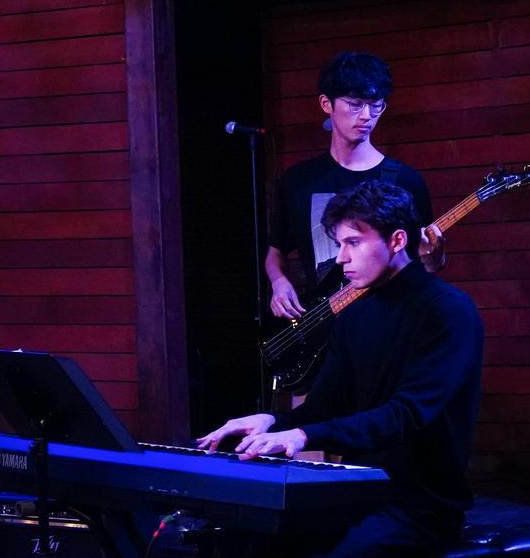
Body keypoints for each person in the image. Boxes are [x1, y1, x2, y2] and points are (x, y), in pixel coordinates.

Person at [199, 181, 483, 555]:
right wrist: (272, 422)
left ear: (397, 241)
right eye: (339, 244)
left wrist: (301, 436)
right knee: (243, 540)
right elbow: (323, 407)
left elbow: (405, 415)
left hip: (419, 506)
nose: (340, 259)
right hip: (354, 490)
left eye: (353, 243)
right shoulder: (356, 314)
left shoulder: (448, 311)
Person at [266, 51, 444, 322]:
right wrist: (279, 282)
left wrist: (434, 260)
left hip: (390, 324)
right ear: (326, 103)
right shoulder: (298, 180)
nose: (367, 116)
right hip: (322, 328)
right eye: (355, 104)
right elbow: (275, 251)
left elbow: (425, 266)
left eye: (376, 105)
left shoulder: (405, 182)